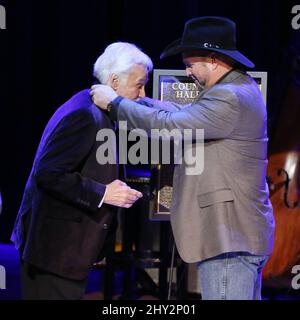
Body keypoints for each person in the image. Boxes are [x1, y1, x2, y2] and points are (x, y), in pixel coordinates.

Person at [90, 17, 275, 300]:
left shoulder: (230, 97)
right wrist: (142, 102)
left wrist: (115, 104)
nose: (187, 71)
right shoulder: (232, 88)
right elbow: (181, 114)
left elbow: (172, 126)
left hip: (228, 240)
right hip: (234, 238)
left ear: (213, 59)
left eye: (190, 63)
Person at [11, 42, 153, 299]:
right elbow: (49, 174)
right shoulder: (84, 115)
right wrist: (103, 193)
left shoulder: (96, 110)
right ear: (114, 81)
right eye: (139, 84)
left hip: (65, 255)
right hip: (53, 253)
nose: (143, 93)